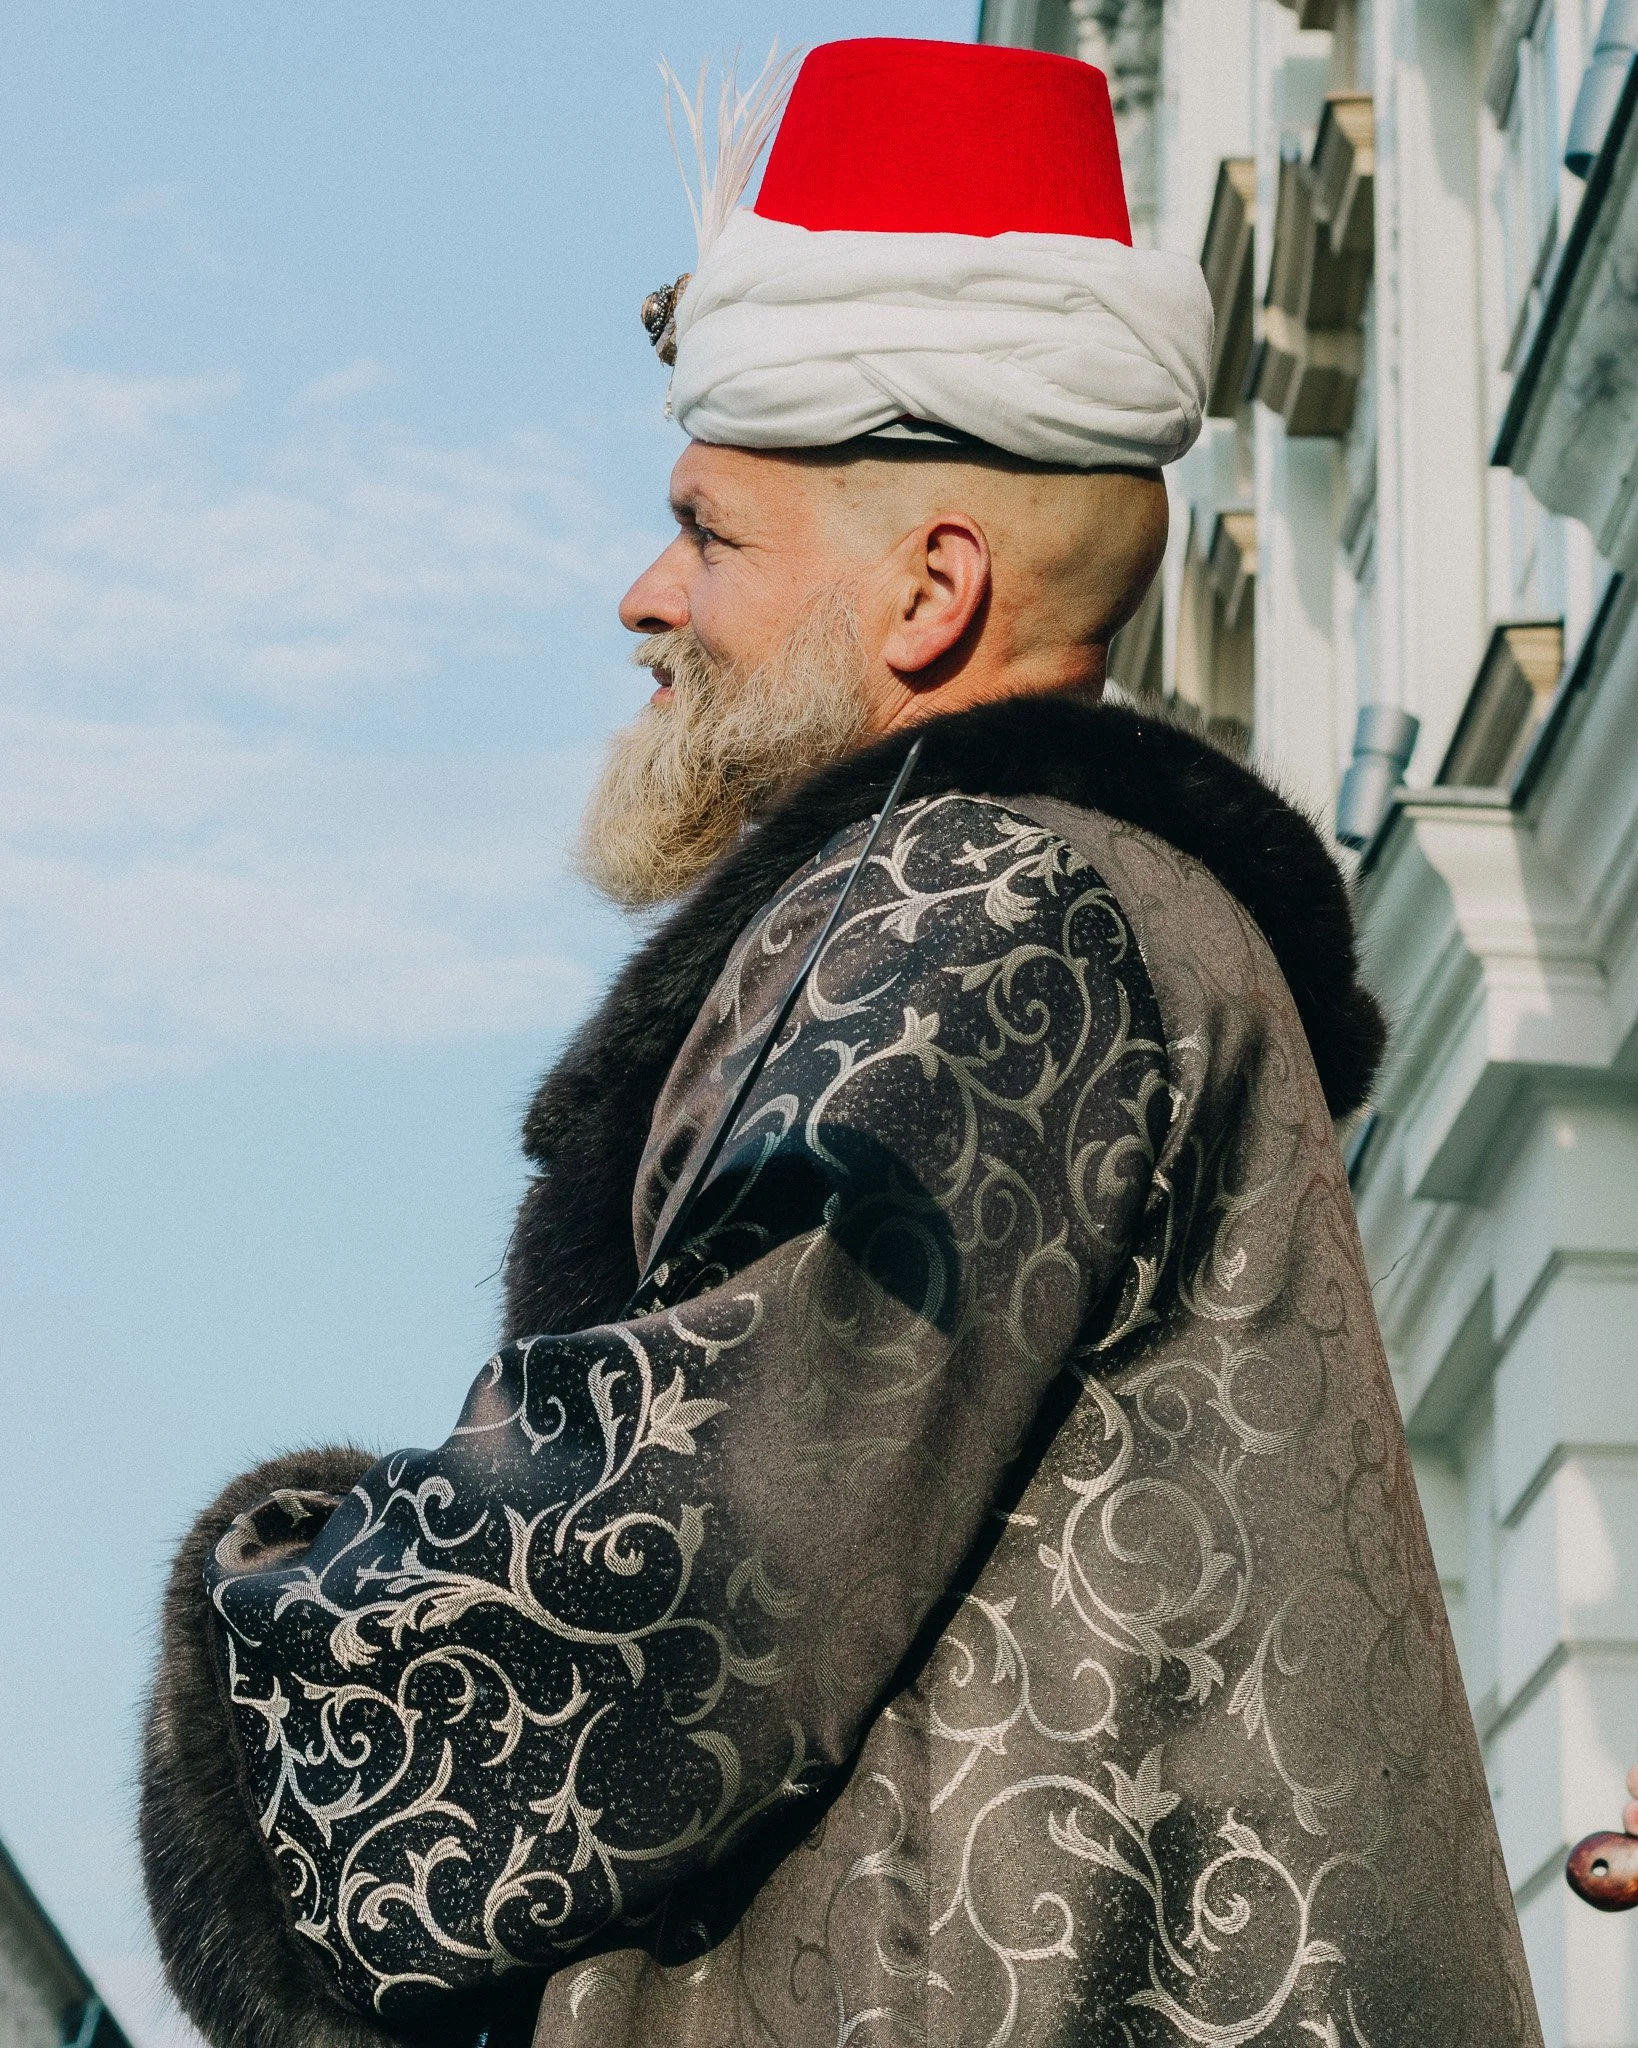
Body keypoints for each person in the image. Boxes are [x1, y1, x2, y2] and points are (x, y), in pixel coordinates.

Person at [138, 37, 1543, 2048]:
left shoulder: (987, 901)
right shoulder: (1080, 907)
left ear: (929, 591)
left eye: (705, 529)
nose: (646, 596)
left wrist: (252, 1636)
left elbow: (690, 1558)